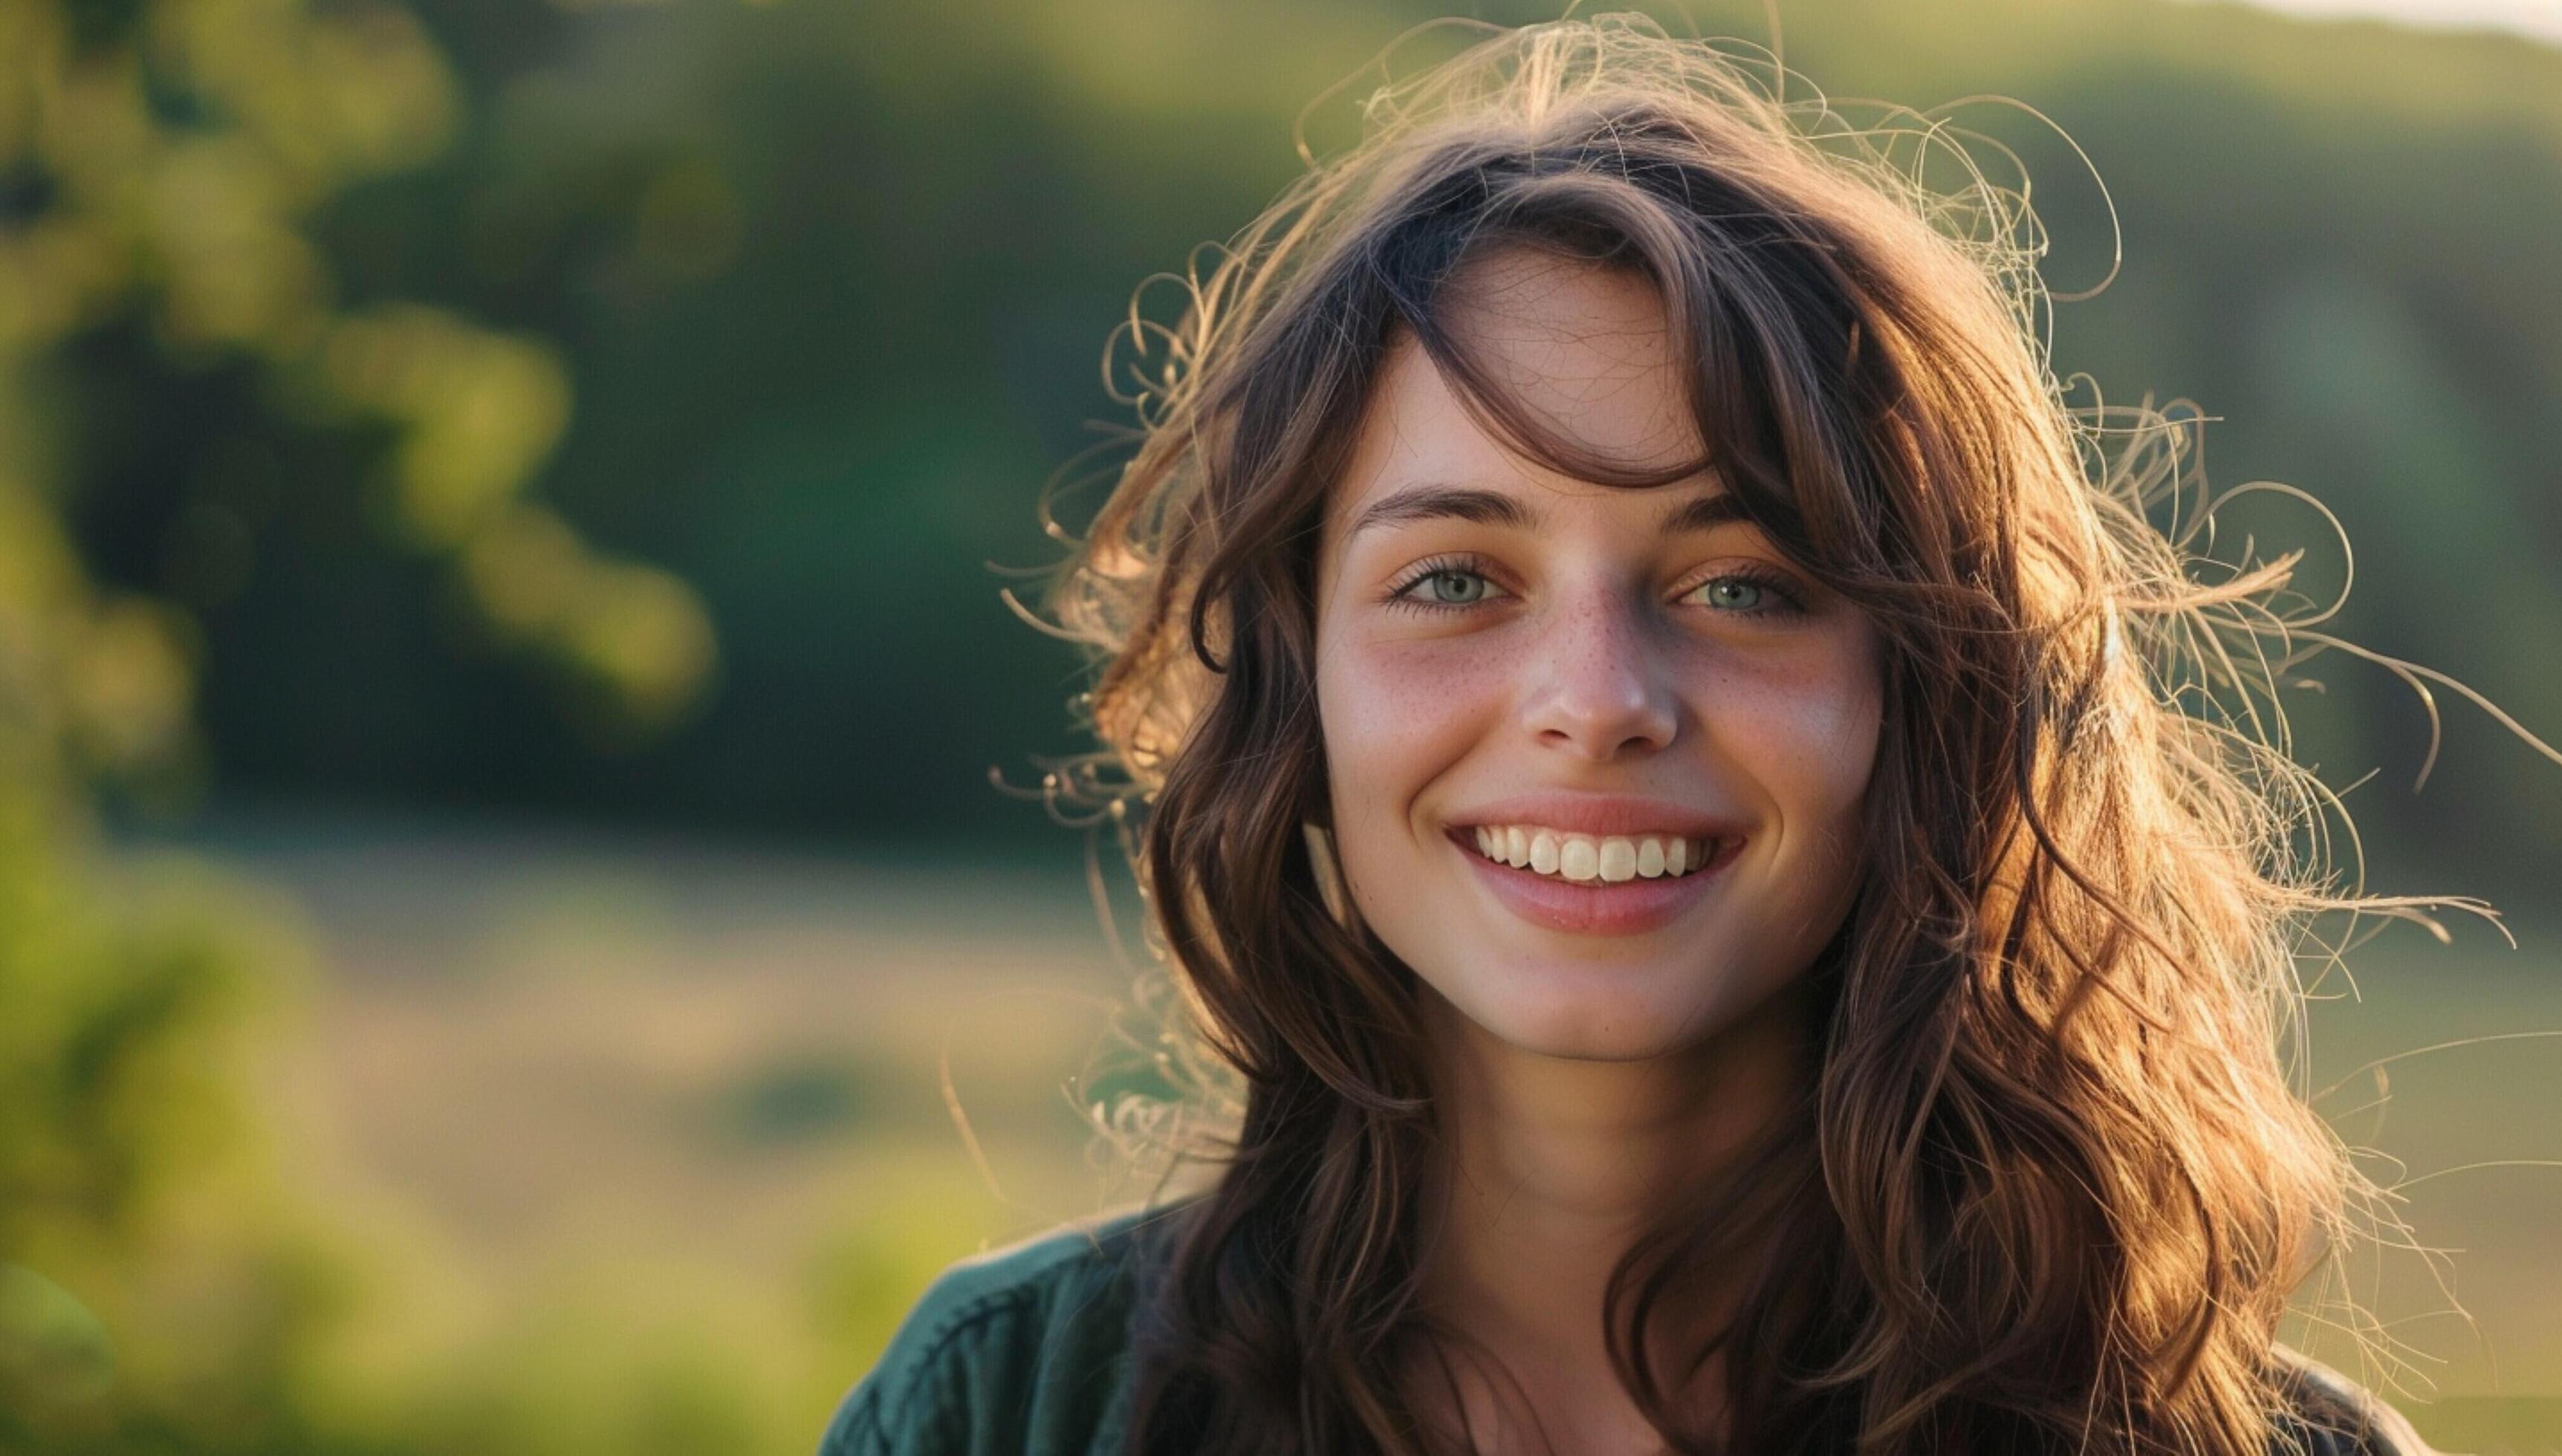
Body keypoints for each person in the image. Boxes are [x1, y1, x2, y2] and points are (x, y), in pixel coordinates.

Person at [825, 16, 2466, 1454]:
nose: (1599, 698)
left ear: (1930, 687)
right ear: (1290, 679)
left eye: (1746, 583)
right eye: (1458, 577)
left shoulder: (2229, 1444)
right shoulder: (1011, 1404)